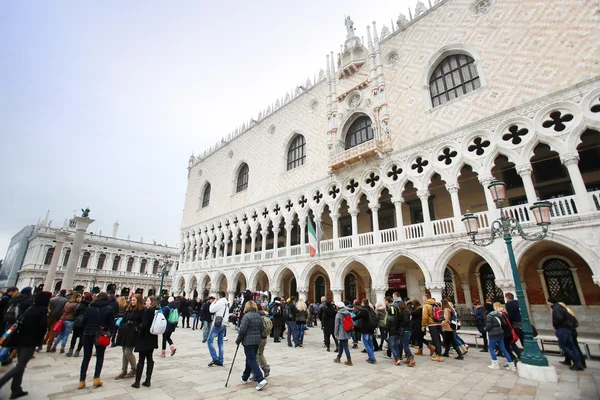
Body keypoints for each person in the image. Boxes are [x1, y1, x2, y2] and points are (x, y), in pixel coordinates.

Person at [0, 291, 50, 399]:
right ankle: (1, 382)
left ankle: (16, 389)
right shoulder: (42, 310)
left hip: (20, 340)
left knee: (21, 365)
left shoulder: (31, 308)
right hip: (29, 342)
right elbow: (42, 327)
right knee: (20, 366)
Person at [78, 292, 114, 389]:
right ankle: (96, 378)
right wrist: (108, 332)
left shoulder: (90, 307)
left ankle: (82, 381)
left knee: (86, 357)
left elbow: (83, 322)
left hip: (88, 333)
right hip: (101, 334)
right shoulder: (108, 308)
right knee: (100, 357)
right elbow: (111, 324)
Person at [236, 301, 267, 391]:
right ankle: (245, 377)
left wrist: (238, 340)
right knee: (249, 358)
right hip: (257, 341)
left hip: (248, 341)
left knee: (251, 360)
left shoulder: (246, 316)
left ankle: (260, 379)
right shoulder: (258, 316)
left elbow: (242, 330)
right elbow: (262, 329)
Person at [547, 298, 584, 371]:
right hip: (569, 329)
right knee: (572, 346)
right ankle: (578, 362)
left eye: (548, 302)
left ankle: (577, 362)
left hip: (563, 329)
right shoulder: (563, 308)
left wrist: (555, 325)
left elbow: (559, 318)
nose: (548, 303)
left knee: (563, 345)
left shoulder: (556, 308)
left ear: (551, 302)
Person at [132, 296, 159, 388]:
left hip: (145, 338)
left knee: (141, 359)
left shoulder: (148, 311)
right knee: (150, 359)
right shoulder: (156, 311)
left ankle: (137, 382)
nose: (145, 302)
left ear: (151, 302)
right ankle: (148, 380)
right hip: (152, 337)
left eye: (147, 301)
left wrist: (138, 329)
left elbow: (144, 325)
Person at [115, 294, 143, 380]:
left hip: (133, 333)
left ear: (138, 301)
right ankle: (124, 370)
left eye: (134, 300)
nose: (132, 301)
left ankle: (134, 369)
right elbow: (124, 319)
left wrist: (136, 327)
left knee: (128, 352)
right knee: (124, 351)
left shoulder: (141, 310)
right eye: (132, 300)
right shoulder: (129, 308)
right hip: (125, 331)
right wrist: (122, 325)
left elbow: (142, 322)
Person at [485, 301, 515, 371]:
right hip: (501, 334)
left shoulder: (489, 316)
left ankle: (495, 364)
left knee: (491, 348)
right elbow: (504, 323)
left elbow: (488, 327)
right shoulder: (499, 315)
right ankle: (511, 365)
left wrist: (485, 328)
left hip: (493, 334)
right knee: (503, 349)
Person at [557, 302, 586, 369]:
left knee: (572, 346)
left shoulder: (564, 313)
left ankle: (579, 362)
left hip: (569, 331)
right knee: (571, 346)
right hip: (571, 331)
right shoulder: (568, 312)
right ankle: (569, 360)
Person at [208, 291, 229, 367]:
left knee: (209, 340)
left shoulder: (220, 302)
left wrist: (213, 302)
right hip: (224, 324)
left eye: (217, 296)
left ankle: (215, 358)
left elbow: (211, 310)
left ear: (219, 296)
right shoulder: (226, 303)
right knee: (220, 342)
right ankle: (220, 360)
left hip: (218, 323)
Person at [68, 292, 92, 357]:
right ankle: (77, 351)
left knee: (74, 337)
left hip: (77, 322)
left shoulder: (80, 304)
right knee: (82, 338)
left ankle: (70, 350)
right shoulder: (90, 306)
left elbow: (75, 313)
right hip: (85, 323)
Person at [353, 298, 376, 364]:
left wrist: (350, 319)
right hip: (371, 329)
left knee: (366, 344)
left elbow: (357, 317)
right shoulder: (371, 309)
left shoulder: (364, 311)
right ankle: (371, 357)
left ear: (363, 303)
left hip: (365, 329)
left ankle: (372, 358)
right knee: (370, 344)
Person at [421, 296, 444, 362]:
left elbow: (425, 316)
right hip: (439, 322)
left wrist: (423, 325)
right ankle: (438, 352)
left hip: (432, 324)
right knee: (438, 338)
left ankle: (439, 355)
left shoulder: (426, 305)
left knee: (435, 339)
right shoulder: (436, 304)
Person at [333, 302, 352, 366]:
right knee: (341, 345)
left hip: (341, 332)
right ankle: (338, 357)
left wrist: (335, 333)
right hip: (347, 330)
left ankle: (349, 360)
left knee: (345, 346)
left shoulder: (338, 314)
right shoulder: (347, 312)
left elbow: (336, 325)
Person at [397, 301, 416, 366]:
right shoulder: (406, 311)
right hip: (407, 329)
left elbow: (406, 320)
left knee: (405, 345)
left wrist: (401, 325)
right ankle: (408, 358)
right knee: (405, 344)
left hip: (406, 330)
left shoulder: (404, 312)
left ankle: (411, 357)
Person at [385, 297, 402, 365]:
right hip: (397, 332)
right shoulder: (397, 318)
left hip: (392, 333)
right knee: (396, 345)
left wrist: (386, 333)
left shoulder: (389, 318)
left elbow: (387, 327)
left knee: (392, 345)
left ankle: (397, 359)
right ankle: (398, 357)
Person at [257, 303, 272, 378]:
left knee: (255, 355)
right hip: (264, 337)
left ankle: (255, 372)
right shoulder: (265, 315)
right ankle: (265, 367)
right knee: (260, 353)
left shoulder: (257, 316)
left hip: (257, 338)